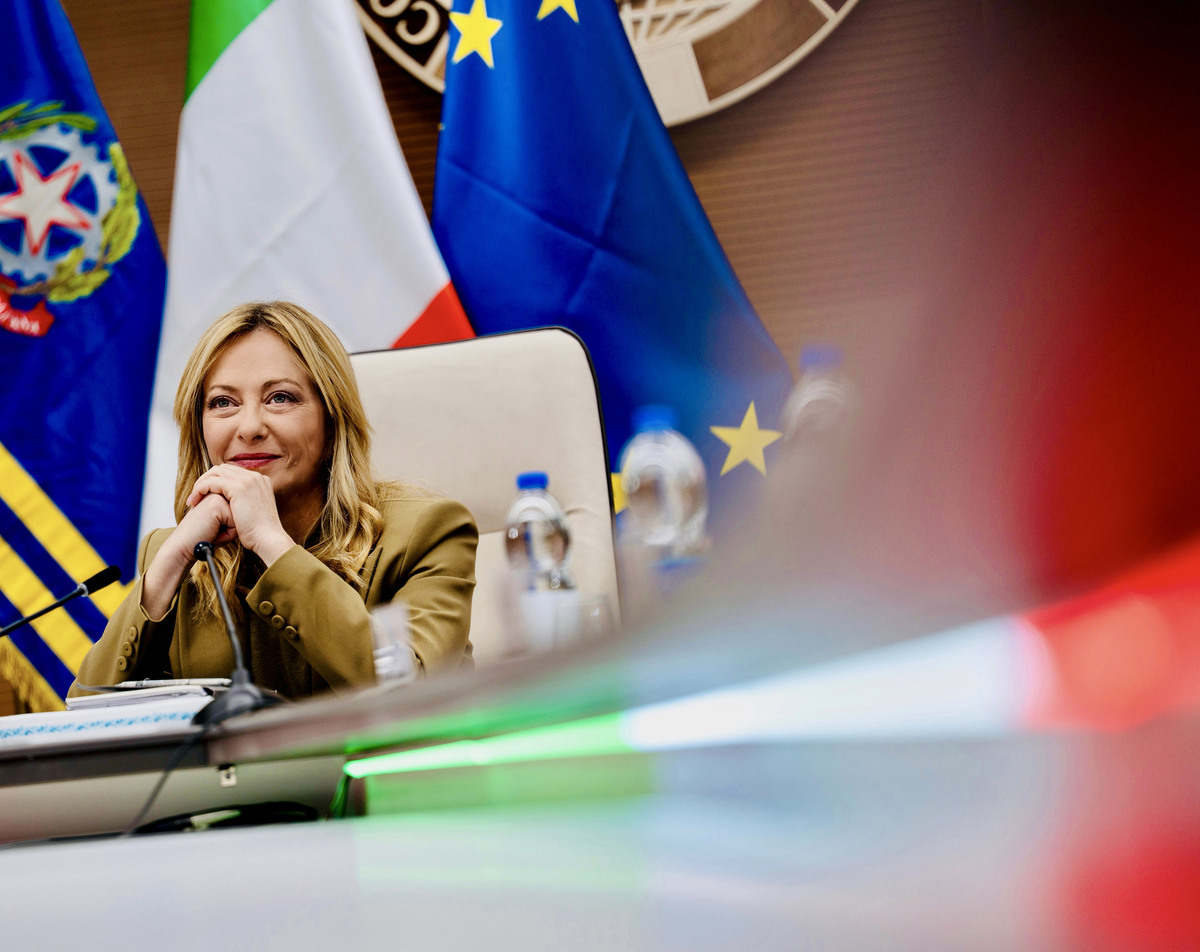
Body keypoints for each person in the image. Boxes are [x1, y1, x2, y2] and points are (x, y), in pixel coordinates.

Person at [69, 302, 477, 699]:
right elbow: (85, 715)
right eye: (223, 403)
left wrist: (271, 541)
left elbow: (410, 691)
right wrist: (168, 565)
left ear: (332, 419)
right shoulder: (176, 554)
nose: (249, 427)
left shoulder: (426, 533)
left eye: (280, 398)